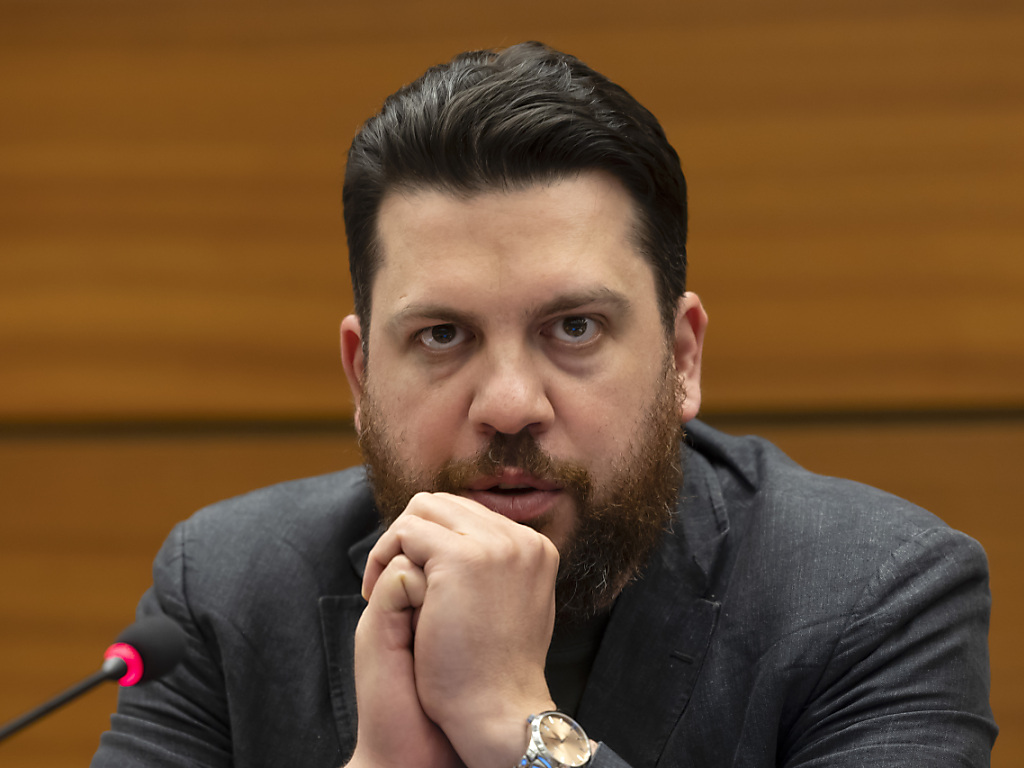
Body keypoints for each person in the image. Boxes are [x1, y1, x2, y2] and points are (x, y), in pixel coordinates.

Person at [92, 42, 996, 768]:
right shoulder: (226, 592)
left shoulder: (873, 596)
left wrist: (514, 725)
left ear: (682, 358)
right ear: (361, 379)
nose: (511, 405)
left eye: (574, 328)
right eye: (442, 335)